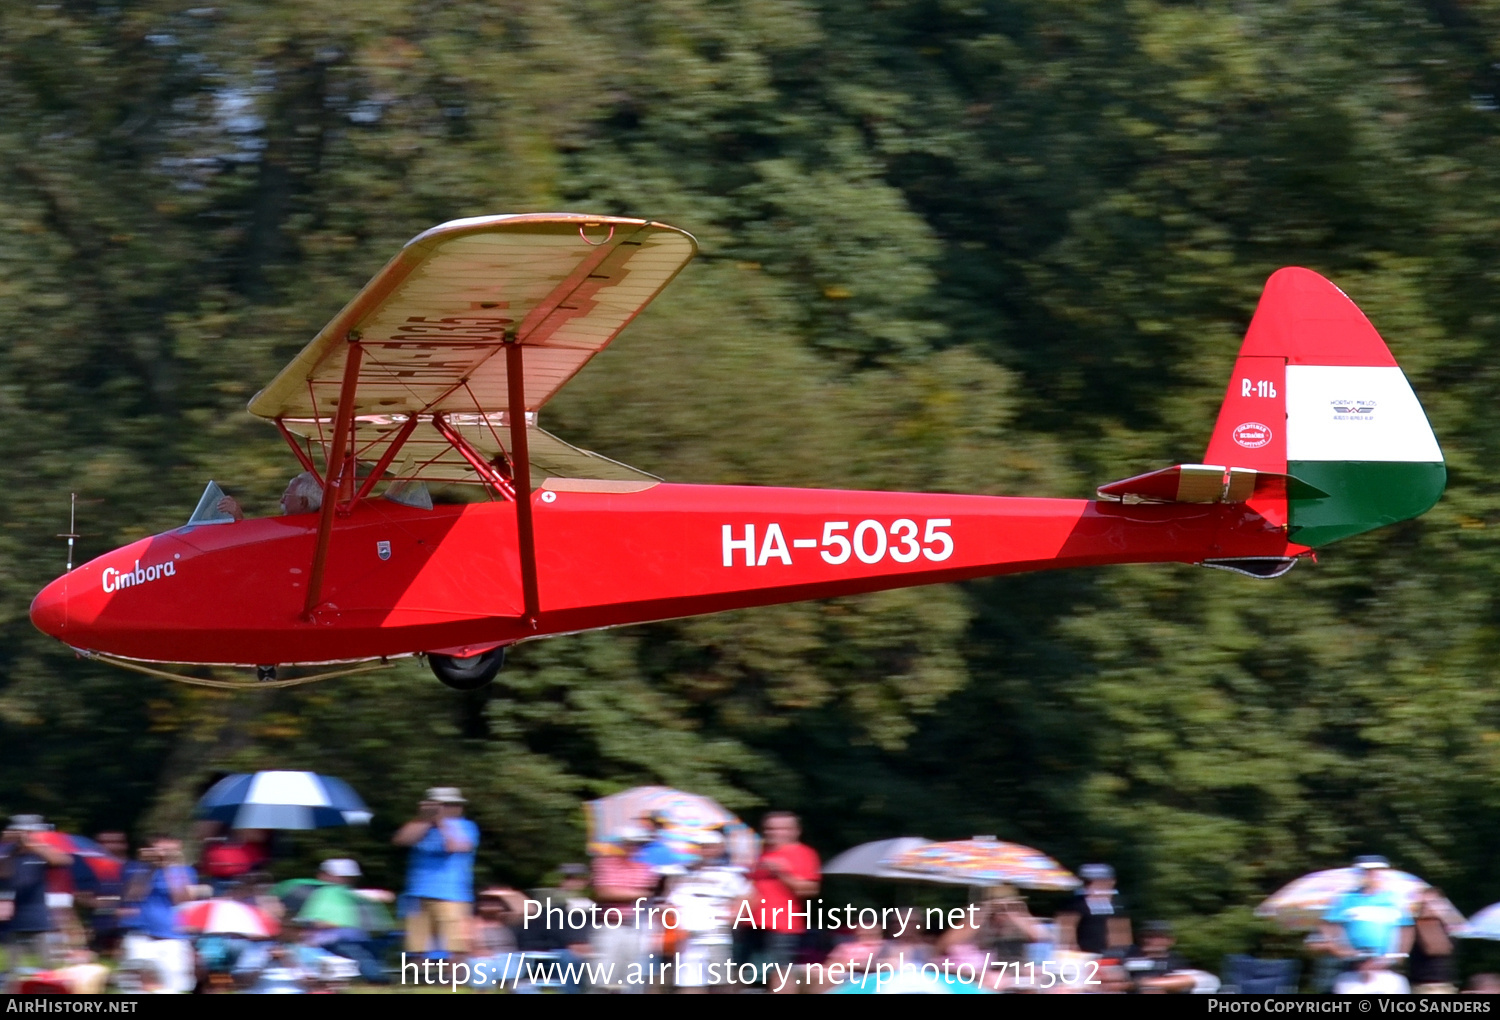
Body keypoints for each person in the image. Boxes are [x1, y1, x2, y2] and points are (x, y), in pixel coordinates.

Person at [392, 787, 478, 962]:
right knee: (417, 946)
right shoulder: (418, 825)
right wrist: (424, 819)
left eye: (449, 805)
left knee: (455, 947)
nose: (444, 809)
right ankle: (420, 983)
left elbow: (455, 846)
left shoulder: (466, 826)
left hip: (453, 895)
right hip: (417, 893)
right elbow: (401, 840)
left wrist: (440, 821)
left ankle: (454, 985)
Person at [745, 810, 820, 991]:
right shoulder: (760, 854)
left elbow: (810, 890)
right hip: (749, 922)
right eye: (770, 829)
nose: (774, 833)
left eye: (782, 829)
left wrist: (782, 873)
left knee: (781, 972)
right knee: (741, 972)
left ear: (795, 831)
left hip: (782, 924)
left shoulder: (804, 853)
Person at [667, 831, 750, 992]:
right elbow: (670, 901)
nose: (703, 851)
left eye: (708, 847)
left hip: (716, 937)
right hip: (687, 940)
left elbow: (748, 896)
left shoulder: (728, 874)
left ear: (719, 849)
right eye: (700, 847)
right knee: (689, 987)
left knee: (720, 986)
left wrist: (732, 916)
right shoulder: (680, 873)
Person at [118, 835, 197, 994]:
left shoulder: (185, 871)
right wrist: (149, 867)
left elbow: (182, 900)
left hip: (172, 938)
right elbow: (132, 895)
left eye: (167, 846)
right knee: (134, 989)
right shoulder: (135, 868)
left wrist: (169, 866)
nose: (161, 850)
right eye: (157, 845)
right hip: (140, 936)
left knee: (173, 987)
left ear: (177, 846)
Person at [0, 816, 73, 977]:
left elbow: (64, 860)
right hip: (12, 920)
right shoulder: (7, 853)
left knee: (47, 968)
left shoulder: (41, 852)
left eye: (28, 832)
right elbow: (4, 876)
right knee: (12, 969)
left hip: (38, 918)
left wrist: (32, 844)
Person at [589, 826, 659, 992]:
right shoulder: (606, 863)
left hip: (637, 925)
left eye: (637, 844)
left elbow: (648, 891)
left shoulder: (645, 867)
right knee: (603, 975)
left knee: (631, 977)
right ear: (621, 843)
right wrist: (638, 894)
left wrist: (630, 893)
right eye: (630, 843)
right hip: (611, 924)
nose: (634, 847)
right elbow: (605, 892)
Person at [1320, 856, 1414, 960]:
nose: (1371, 875)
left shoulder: (1395, 899)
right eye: (1365, 871)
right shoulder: (1345, 898)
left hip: (1385, 962)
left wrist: (1400, 956)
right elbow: (1329, 925)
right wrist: (1339, 949)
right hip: (1352, 961)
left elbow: (1406, 929)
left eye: (1375, 871)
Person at [1057, 863, 1131, 954]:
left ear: (1111, 882)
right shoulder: (1076, 903)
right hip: (1084, 955)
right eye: (1087, 882)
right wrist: (1069, 949)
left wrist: (1122, 952)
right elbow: (1067, 929)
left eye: (1096, 881)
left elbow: (1121, 931)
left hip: (1112, 955)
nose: (1091, 885)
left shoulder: (1117, 903)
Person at [1122, 921, 1198, 993]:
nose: (1152, 941)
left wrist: (1144, 983)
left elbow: (1186, 982)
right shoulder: (1130, 957)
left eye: (1159, 937)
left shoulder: (1177, 960)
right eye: (1148, 937)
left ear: (1171, 940)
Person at [217, 471, 323, 522]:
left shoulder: (302, 531)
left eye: (286, 495)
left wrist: (239, 518)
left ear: (303, 502)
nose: (281, 500)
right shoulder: (294, 527)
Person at [1408, 887, 1457, 994]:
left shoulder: (1448, 925)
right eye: (1423, 904)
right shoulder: (1415, 925)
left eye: (1431, 903)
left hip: (1442, 985)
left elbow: (1439, 949)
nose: (1427, 907)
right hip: (1420, 986)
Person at [1333, 953, 1411, 994]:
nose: (1367, 963)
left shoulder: (1397, 981)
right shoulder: (1344, 980)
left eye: (1371, 959)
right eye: (1362, 960)